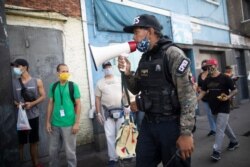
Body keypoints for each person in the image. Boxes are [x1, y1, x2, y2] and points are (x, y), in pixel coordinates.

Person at [118, 14, 197, 167]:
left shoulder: (172, 54)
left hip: (171, 125)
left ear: (150, 31)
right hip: (148, 124)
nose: (134, 37)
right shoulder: (144, 58)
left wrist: (186, 133)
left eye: (136, 32)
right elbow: (135, 88)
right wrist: (128, 73)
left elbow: (188, 95)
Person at [198, 58, 239, 161]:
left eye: (210, 66)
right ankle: (234, 141)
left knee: (219, 129)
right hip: (214, 107)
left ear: (215, 66)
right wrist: (195, 100)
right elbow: (203, 92)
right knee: (224, 127)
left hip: (224, 106)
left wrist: (228, 97)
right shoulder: (208, 79)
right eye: (207, 67)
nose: (209, 68)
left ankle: (216, 151)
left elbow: (235, 90)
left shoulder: (225, 78)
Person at [11, 58, 46, 167]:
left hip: (33, 116)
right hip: (20, 118)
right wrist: (16, 104)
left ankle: (35, 163)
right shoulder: (13, 83)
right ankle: (19, 164)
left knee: (33, 142)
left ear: (25, 67)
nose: (15, 69)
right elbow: (9, 98)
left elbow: (43, 96)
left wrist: (32, 104)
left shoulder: (37, 81)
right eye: (14, 67)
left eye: (18, 66)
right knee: (20, 143)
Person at [46, 63, 81, 167]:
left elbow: (78, 104)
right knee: (53, 151)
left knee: (70, 152)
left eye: (67, 71)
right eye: (63, 71)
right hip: (55, 124)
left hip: (69, 124)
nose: (65, 73)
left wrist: (76, 123)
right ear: (58, 73)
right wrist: (47, 122)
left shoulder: (73, 86)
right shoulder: (53, 86)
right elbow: (50, 103)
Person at [95, 61, 125, 167]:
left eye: (109, 66)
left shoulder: (119, 79)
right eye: (105, 67)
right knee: (110, 136)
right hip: (107, 113)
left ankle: (122, 155)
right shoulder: (100, 83)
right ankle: (113, 158)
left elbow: (124, 93)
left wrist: (128, 107)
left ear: (112, 67)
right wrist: (98, 113)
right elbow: (97, 99)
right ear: (103, 70)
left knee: (121, 134)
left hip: (121, 111)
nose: (108, 69)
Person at [197, 60, 216, 136]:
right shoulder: (200, 75)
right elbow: (199, 85)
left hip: (213, 97)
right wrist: (198, 89)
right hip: (204, 98)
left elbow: (214, 84)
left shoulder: (211, 74)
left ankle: (219, 129)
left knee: (214, 113)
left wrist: (208, 89)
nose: (204, 66)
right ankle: (213, 129)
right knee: (209, 114)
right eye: (202, 65)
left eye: (205, 65)